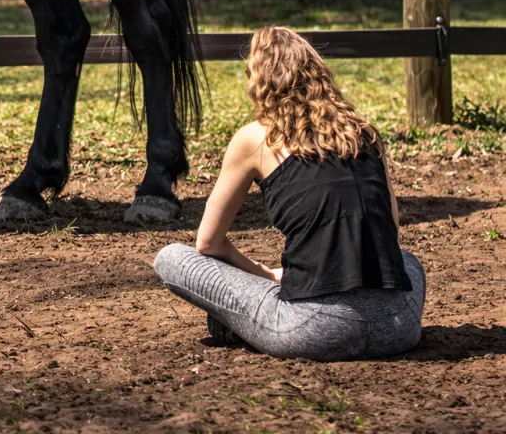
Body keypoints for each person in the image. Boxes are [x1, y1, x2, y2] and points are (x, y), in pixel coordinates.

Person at [153, 26, 426, 361]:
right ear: (318, 73)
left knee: (171, 258)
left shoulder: (255, 138)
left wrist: (264, 274)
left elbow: (208, 243)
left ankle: (239, 323)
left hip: (313, 330)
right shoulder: (364, 132)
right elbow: (391, 232)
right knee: (409, 261)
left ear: (259, 81)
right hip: (399, 328)